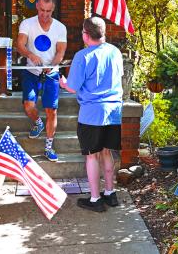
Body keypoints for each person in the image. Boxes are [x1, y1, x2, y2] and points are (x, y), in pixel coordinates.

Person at [60, 16, 123, 212]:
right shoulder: (115, 52)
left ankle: (95, 199)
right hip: (113, 111)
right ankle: (110, 193)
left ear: (86, 35)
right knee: (107, 152)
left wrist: (63, 83)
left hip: (92, 113)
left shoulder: (83, 56)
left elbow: (72, 87)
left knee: (91, 156)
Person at [16, 0, 67, 162]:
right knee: (29, 105)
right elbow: (20, 44)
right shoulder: (27, 23)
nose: (45, 15)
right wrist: (30, 54)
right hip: (31, 71)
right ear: (37, 6)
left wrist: (51, 65)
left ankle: (48, 147)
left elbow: (60, 52)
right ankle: (38, 122)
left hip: (51, 73)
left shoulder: (60, 27)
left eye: (49, 11)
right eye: (42, 10)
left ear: (53, 9)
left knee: (51, 110)